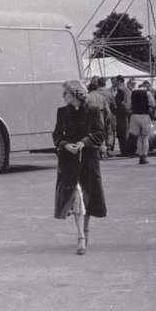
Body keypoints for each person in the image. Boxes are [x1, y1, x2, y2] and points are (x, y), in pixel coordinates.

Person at [53, 80, 107, 255]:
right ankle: (81, 237)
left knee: (87, 196)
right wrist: (65, 145)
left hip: (88, 160)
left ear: (75, 94)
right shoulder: (62, 112)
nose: (63, 96)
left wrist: (85, 142)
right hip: (69, 161)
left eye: (66, 93)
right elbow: (56, 135)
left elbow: (100, 133)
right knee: (76, 197)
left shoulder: (93, 110)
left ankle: (86, 229)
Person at [86, 81, 113, 158]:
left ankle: (94, 151)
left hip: (89, 116)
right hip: (101, 115)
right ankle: (102, 151)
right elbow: (108, 111)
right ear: (96, 88)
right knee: (101, 133)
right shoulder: (102, 97)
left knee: (91, 133)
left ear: (89, 89)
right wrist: (108, 120)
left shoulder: (86, 97)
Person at [129, 85, 153, 164]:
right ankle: (145, 157)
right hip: (145, 115)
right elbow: (153, 104)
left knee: (138, 137)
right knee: (145, 138)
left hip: (135, 116)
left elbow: (129, 104)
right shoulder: (148, 93)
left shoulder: (132, 93)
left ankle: (140, 156)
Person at [113, 75, 132, 156]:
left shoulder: (120, 89)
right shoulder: (127, 89)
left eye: (115, 80)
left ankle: (125, 151)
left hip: (122, 114)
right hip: (127, 112)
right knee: (125, 131)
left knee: (122, 132)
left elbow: (119, 102)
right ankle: (127, 150)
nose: (114, 82)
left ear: (119, 81)